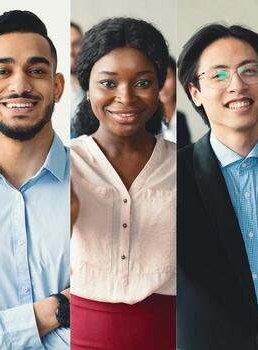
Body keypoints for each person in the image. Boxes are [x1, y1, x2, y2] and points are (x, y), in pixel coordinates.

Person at [0, 10, 70, 350]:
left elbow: (113, 314)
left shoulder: (101, 186)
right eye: (2, 71)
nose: (20, 85)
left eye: (36, 71)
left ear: (57, 86)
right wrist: (62, 307)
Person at [67, 17, 176, 350]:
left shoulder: (184, 164)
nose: (125, 97)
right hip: (78, 332)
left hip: (168, 332)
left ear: (159, 86)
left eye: (142, 83)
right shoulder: (62, 161)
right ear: (88, 87)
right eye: (109, 83)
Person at [174, 23, 258, 349]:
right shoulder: (169, 176)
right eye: (218, 75)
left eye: (250, 70)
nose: (236, 84)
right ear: (195, 92)